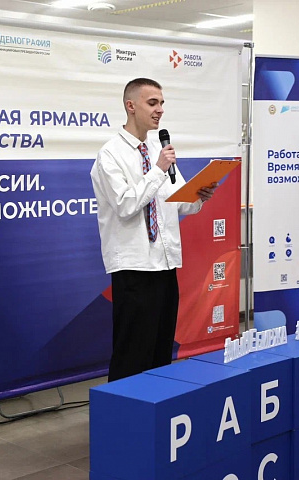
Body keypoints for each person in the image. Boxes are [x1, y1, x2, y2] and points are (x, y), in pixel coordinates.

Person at [90, 77, 218, 381]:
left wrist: (199, 196)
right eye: (152, 103)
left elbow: (178, 202)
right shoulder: (111, 154)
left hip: (165, 262)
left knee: (161, 348)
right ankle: (123, 408)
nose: (160, 109)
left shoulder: (159, 149)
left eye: (161, 103)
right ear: (130, 106)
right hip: (134, 266)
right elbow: (125, 204)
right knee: (133, 351)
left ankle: (157, 405)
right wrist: (158, 169)